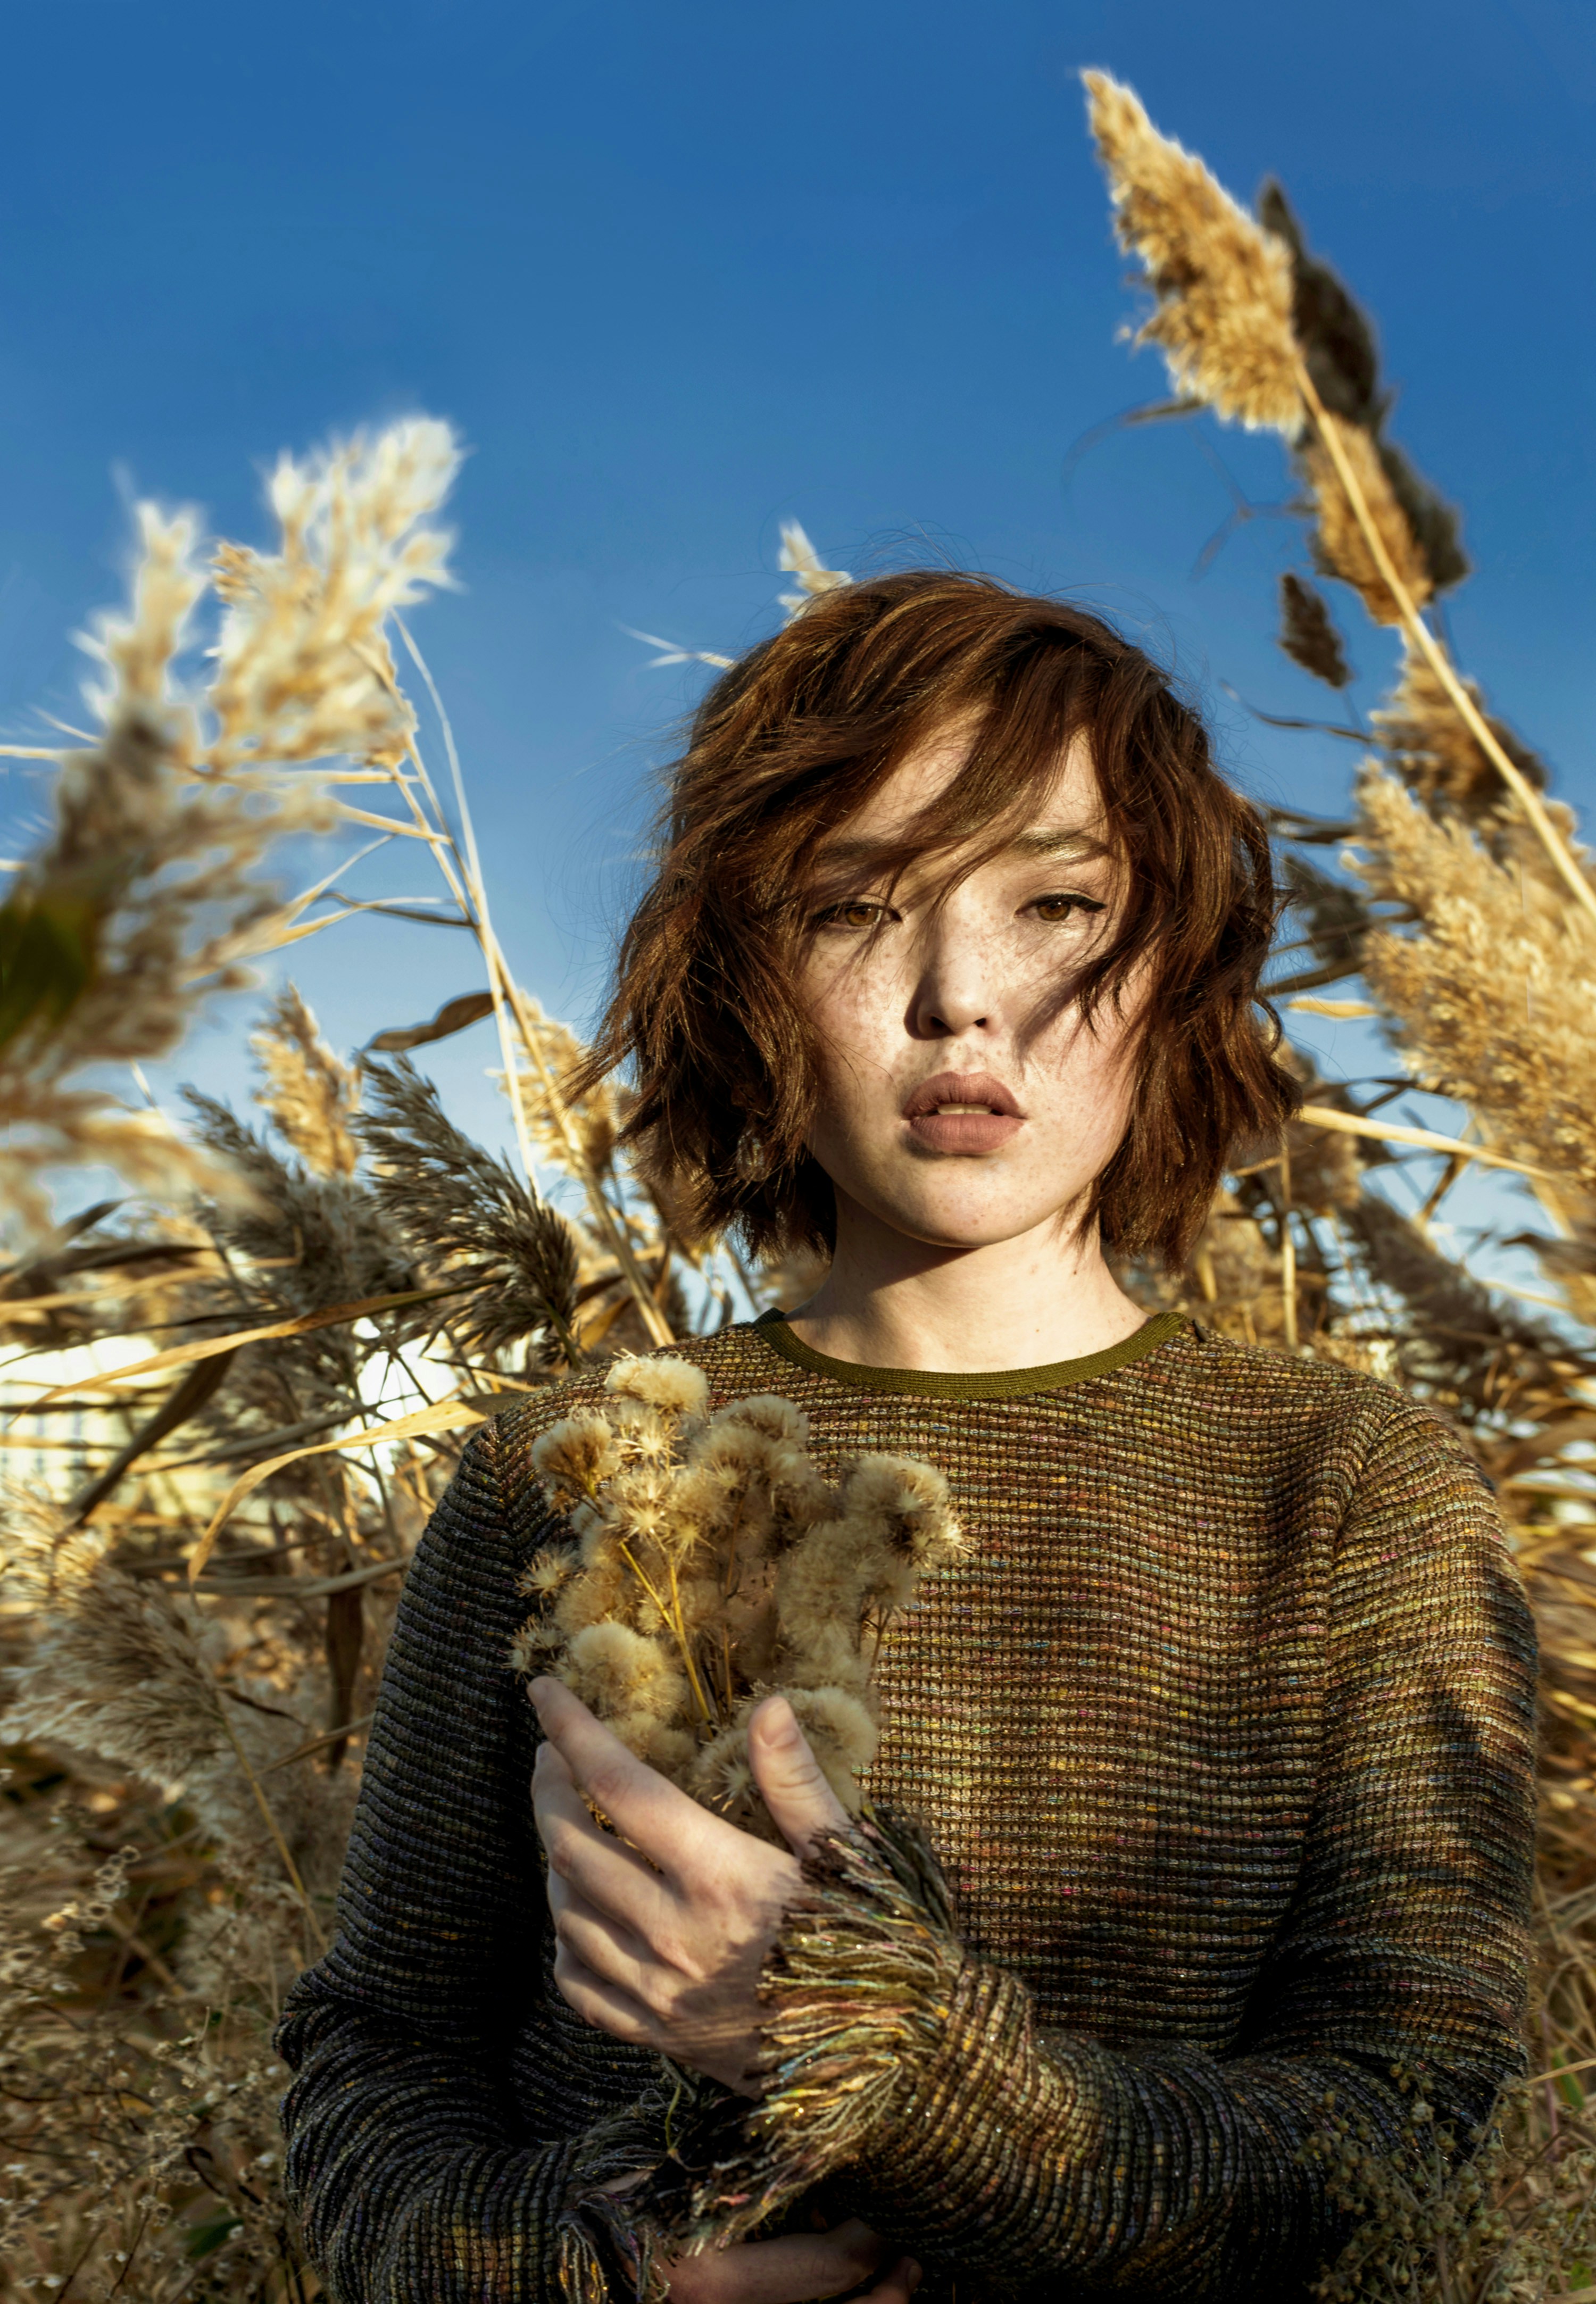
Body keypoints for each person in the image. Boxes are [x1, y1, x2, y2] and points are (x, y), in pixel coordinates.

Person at [276, 573, 1538, 2304]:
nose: (960, 998)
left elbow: (1403, 2125)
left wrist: (864, 2039)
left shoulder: (1348, 1487)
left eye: (1056, 904)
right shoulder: (562, 1466)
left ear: (1172, 967)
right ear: (748, 969)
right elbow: (380, 2057)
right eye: (859, 908)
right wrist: (592, 2272)